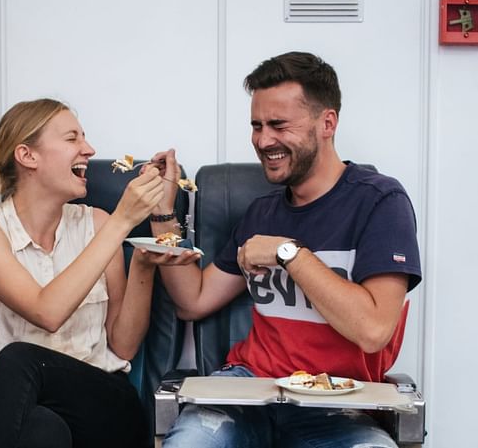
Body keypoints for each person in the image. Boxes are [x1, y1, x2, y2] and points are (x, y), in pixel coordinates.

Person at [152, 52, 422, 448]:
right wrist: (162, 212)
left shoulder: (380, 202)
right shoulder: (260, 214)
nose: (263, 140)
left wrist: (288, 253)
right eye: (257, 126)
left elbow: (373, 330)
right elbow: (192, 300)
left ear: (327, 123)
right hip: (249, 390)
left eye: (279, 125)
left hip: (338, 403)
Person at [0, 98, 194, 448]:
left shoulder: (98, 225)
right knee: (40, 426)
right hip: (23, 413)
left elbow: (124, 346)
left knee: (17, 360)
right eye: (72, 139)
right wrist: (124, 220)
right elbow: (47, 311)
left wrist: (141, 263)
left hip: (106, 408)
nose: (89, 149)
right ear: (28, 156)